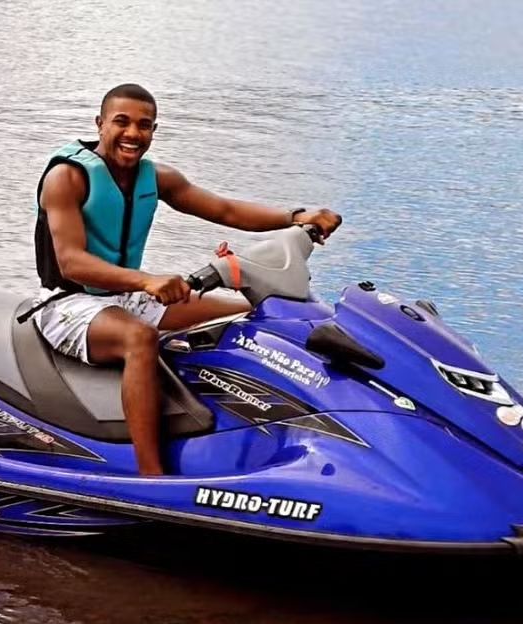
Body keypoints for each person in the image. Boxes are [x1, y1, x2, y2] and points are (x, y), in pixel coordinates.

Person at [33, 83, 342, 475]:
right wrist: (146, 281)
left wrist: (297, 216)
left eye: (143, 126)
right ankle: (151, 476)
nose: (132, 134)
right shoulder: (68, 177)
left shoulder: (157, 178)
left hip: (128, 297)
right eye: (121, 122)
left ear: (153, 131)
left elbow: (225, 210)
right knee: (139, 339)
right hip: (68, 303)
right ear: (100, 123)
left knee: (247, 312)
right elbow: (72, 262)